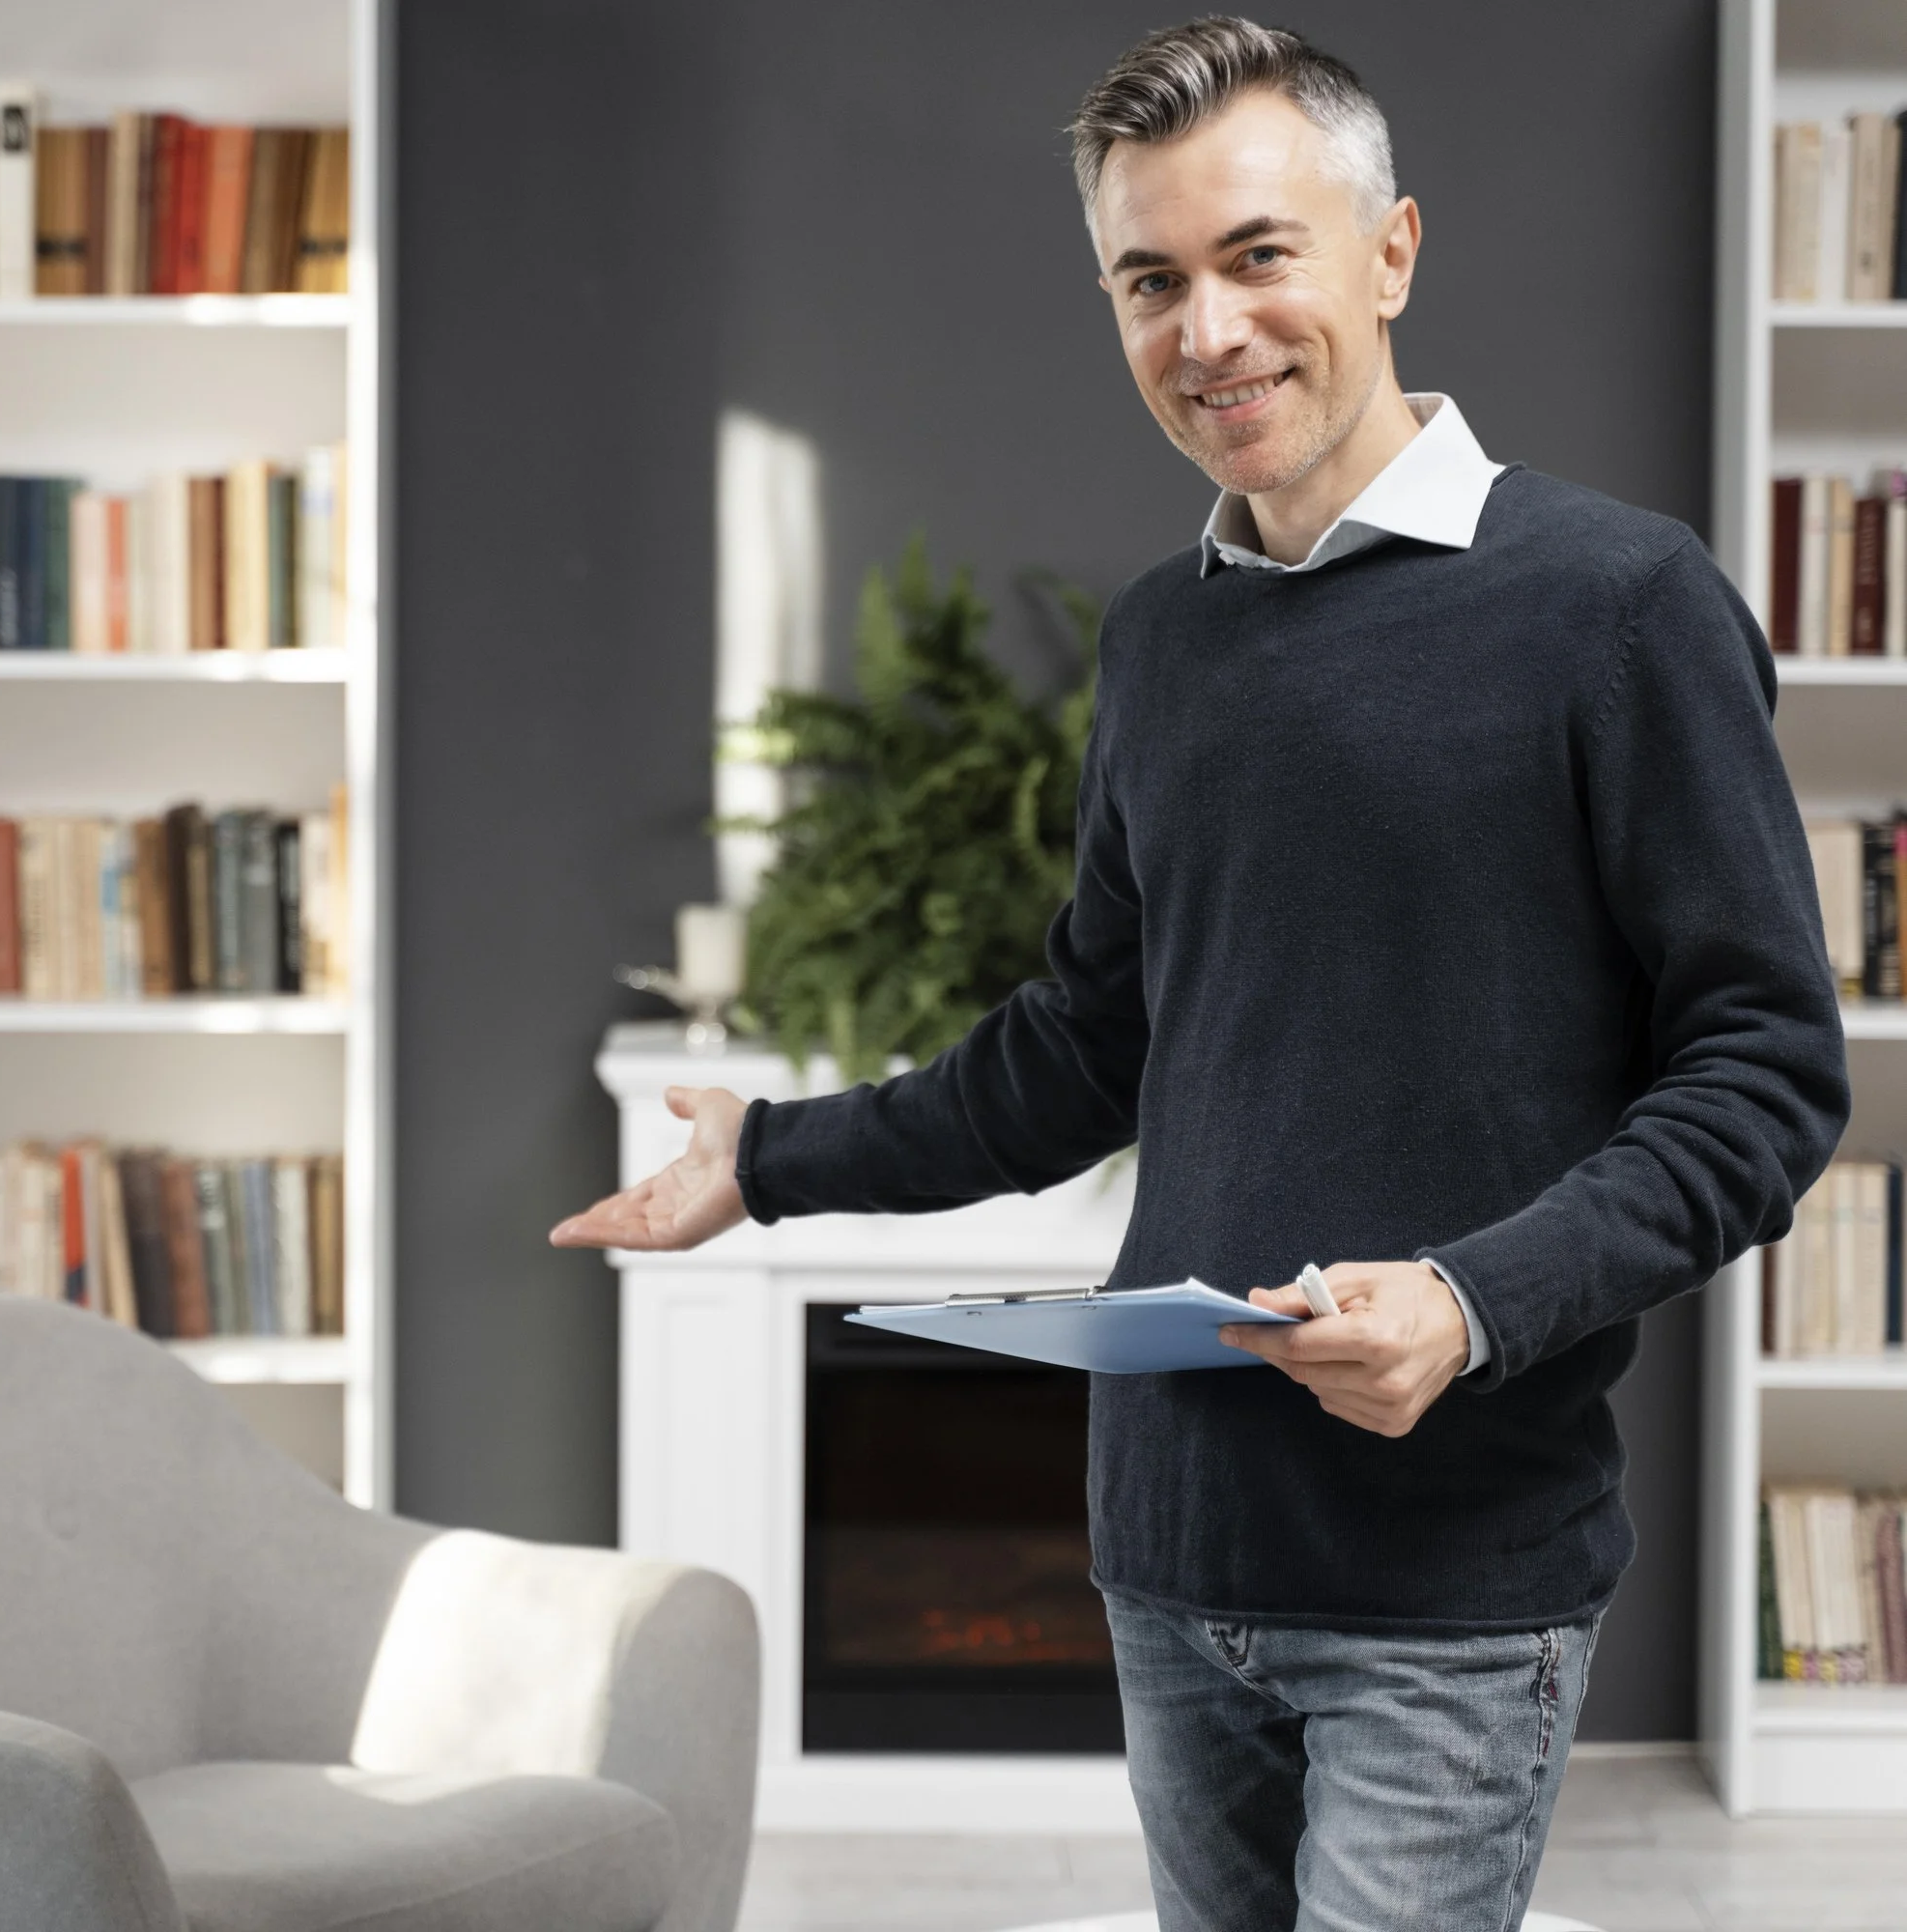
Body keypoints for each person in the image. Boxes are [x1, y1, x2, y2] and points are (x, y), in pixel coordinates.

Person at [552, 15, 1849, 1931]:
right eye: (1147, 281)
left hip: (1450, 1580)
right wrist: (769, 1161)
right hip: (1167, 1548)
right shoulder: (1164, 637)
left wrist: (1469, 1302)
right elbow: (1088, 1039)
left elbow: (1760, 1076)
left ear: (1386, 252)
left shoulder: (1619, 602)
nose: (1205, 329)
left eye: (1257, 256)